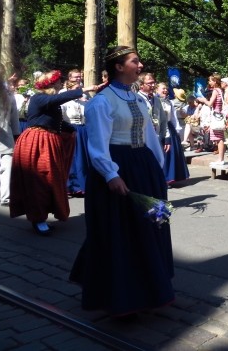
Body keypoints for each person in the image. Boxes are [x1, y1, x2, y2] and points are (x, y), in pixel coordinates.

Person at [70, 46, 175, 316]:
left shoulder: (138, 98)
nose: (140, 66)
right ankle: (123, 296)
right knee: (122, 232)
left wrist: (157, 169)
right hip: (119, 170)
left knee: (153, 226)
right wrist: (110, 174)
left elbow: (149, 137)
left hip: (144, 169)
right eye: (134, 61)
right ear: (119, 66)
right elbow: (97, 145)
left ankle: (151, 287)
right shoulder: (102, 102)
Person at [9, 70, 102, 235]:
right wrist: (84, 89)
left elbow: (54, 121)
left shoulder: (50, 102)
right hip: (36, 141)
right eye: (59, 81)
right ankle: (38, 218)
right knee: (38, 180)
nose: (61, 84)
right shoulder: (39, 98)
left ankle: (42, 215)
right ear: (51, 84)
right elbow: (55, 101)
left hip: (47, 140)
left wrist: (70, 129)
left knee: (49, 179)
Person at [60, 78, 89, 197]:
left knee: (83, 158)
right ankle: (71, 185)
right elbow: (61, 118)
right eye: (76, 89)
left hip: (83, 130)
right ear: (69, 90)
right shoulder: (65, 103)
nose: (79, 91)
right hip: (71, 130)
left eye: (80, 89)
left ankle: (83, 184)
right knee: (72, 158)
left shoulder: (83, 101)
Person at [157, 82, 189, 184]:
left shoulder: (169, 102)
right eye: (163, 88)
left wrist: (177, 130)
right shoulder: (155, 101)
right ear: (156, 90)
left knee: (171, 153)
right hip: (158, 128)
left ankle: (170, 177)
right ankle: (162, 178)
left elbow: (174, 117)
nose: (165, 90)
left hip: (169, 127)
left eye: (166, 88)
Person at [195, 74, 226, 165]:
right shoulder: (221, 90)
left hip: (216, 116)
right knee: (220, 137)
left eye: (210, 81)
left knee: (219, 138)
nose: (209, 82)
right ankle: (221, 158)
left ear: (215, 81)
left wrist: (203, 100)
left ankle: (220, 159)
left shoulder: (216, 90)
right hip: (220, 115)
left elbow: (210, 103)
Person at [135, 72, 169, 154]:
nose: (153, 85)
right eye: (150, 83)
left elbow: (164, 120)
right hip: (143, 141)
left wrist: (166, 137)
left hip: (157, 139)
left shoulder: (157, 99)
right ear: (141, 85)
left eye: (154, 82)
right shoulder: (136, 99)